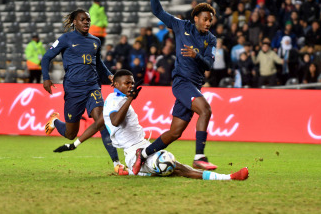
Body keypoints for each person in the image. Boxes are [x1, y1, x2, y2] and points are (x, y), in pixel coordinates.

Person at [53, 70, 249, 180]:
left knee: (176, 167)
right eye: (126, 83)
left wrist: (75, 144)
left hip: (143, 146)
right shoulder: (114, 101)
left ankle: (228, 177)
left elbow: (97, 125)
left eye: (131, 83)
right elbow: (114, 121)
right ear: (116, 85)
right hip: (132, 152)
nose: (130, 86)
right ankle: (132, 168)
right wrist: (130, 100)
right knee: (170, 164)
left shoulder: (118, 100)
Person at [132, 0, 219, 176]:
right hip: (181, 83)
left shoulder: (211, 40)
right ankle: (199, 158)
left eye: (210, 20)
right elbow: (157, 11)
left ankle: (143, 153)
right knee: (205, 110)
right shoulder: (181, 26)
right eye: (205, 19)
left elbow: (209, 65)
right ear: (195, 18)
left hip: (194, 87)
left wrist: (196, 55)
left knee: (175, 132)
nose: (208, 23)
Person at [41, 9, 123, 172]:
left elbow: (98, 62)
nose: (86, 22)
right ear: (74, 22)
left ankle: (116, 163)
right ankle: (54, 121)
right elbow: (46, 57)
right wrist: (46, 78)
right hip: (73, 89)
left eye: (88, 19)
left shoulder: (95, 41)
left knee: (101, 121)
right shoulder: (66, 38)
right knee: (71, 134)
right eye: (82, 19)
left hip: (93, 86)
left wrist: (109, 75)